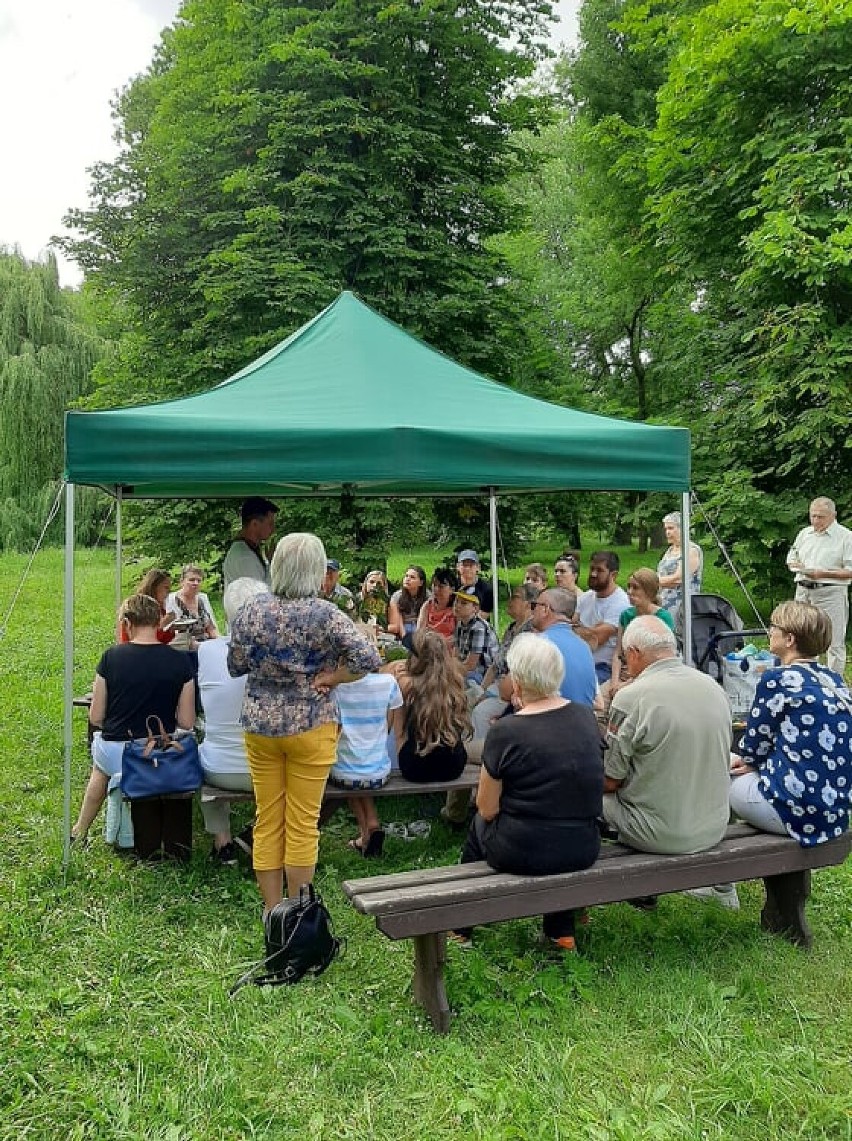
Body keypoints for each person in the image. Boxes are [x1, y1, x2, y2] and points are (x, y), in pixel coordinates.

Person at [227, 532, 381, 916]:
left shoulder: (250, 610)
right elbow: (368, 657)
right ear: (315, 569)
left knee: (267, 819)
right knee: (302, 823)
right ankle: (298, 915)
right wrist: (333, 678)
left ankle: (271, 911)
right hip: (312, 724)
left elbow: (234, 665)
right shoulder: (326, 613)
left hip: (261, 726)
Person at [451, 634, 604, 952]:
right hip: (584, 846)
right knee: (556, 826)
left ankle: (460, 925)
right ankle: (561, 932)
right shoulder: (585, 717)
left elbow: (487, 808)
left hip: (523, 851)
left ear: (517, 683)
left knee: (479, 827)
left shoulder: (506, 731)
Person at [603, 617, 734, 903]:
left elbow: (610, 781)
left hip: (661, 833)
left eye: (625, 658)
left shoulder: (631, 697)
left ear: (635, 653)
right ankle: (723, 890)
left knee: (582, 797)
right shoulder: (713, 687)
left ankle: (629, 892)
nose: (625, 665)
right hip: (714, 825)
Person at [71, 593, 195, 844]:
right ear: (160, 621)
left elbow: (95, 716)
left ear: (127, 622)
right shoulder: (179, 662)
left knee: (100, 767)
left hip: (118, 752)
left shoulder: (111, 657)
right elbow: (187, 721)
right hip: (158, 754)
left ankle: (80, 829)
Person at [730, 601, 850, 846]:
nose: (769, 631)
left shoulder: (778, 679)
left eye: (774, 627)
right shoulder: (834, 680)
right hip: (832, 814)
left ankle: (717, 879)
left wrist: (749, 761)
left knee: (719, 770)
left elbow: (755, 742)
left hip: (792, 812)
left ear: (789, 639)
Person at [197, 577, 267, 865]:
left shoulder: (207, 650)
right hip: (267, 767)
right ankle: (258, 834)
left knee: (199, 747)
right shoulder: (278, 653)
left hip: (218, 768)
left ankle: (222, 839)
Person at [329, 668, 405, 857]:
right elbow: (389, 724)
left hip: (345, 774)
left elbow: (334, 731)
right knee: (361, 769)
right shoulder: (388, 682)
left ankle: (366, 830)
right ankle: (369, 829)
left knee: (349, 770)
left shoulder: (336, 688)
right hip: (379, 771)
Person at [786, 497, 852, 676]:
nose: (815, 521)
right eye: (812, 516)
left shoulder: (845, 537)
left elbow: (850, 570)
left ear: (833, 516)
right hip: (803, 590)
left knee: (834, 640)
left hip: (830, 592)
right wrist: (795, 565)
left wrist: (823, 573)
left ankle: (835, 682)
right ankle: (807, 677)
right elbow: (793, 555)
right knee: (801, 635)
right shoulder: (805, 533)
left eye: (820, 517)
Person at [396, 630, 470, 783]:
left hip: (415, 767)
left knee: (401, 731)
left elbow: (399, 734)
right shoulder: (455, 683)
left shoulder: (407, 686)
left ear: (417, 659)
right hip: (454, 765)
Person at [606, 568, 675, 702]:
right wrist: (614, 683)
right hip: (625, 672)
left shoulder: (663, 617)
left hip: (651, 676)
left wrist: (627, 684)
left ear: (649, 592)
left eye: (636, 588)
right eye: (629, 587)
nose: (630, 592)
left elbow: (660, 659)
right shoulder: (626, 615)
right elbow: (618, 653)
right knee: (600, 703)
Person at [532, 587, 598, 706]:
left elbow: (506, 690)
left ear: (545, 609)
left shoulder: (538, 644)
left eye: (534, 605)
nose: (532, 611)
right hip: (584, 720)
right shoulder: (584, 646)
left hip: (550, 720)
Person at [573, 551, 629, 683]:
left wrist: (578, 629)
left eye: (599, 570)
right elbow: (567, 626)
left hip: (603, 668)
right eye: (592, 569)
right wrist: (585, 630)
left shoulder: (621, 603)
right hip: (579, 662)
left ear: (613, 575)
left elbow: (595, 640)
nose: (593, 574)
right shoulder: (585, 598)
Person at [222, 496, 278, 590]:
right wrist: (272, 564)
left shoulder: (248, 549)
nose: (273, 529)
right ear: (254, 524)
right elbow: (261, 596)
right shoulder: (244, 557)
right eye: (270, 524)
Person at [657, 511, 703, 616]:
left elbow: (678, 579)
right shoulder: (670, 550)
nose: (667, 532)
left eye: (671, 528)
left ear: (682, 528)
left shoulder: (691, 550)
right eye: (666, 529)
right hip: (661, 602)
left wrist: (651, 581)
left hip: (681, 606)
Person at [115, 567, 176, 644]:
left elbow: (167, 640)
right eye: (166, 588)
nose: (169, 591)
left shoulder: (163, 609)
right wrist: (163, 624)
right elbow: (141, 639)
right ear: (154, 587)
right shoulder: (136, 609)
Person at [166, 564, 219, 648]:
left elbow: (212, 628)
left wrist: (219, 642)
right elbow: (170, 631)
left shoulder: (203, 598)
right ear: (182, 581)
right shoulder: (171, 599)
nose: (195, 583)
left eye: (199, 580)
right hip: (182, 647)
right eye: (191, 580)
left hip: (204, 645)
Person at [452, 589, 498, 685]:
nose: (457, 605)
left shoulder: (479, 628)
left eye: (463, 603)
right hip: (464, 668)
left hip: (483, 674)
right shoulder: (460, 624)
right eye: (456, 601)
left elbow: (471, 665)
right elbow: (455, 655)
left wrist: (450, 669)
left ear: (475, 609)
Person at [387, 565, 429, 643]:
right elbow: (398, 620)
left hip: (420, 627)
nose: (407, 579)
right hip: (404, 627)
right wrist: (404, 637)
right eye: (406, 576)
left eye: (412, 577)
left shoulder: (427, 596)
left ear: (421, 583)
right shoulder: (397, 596)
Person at [417, 567, 457, 642]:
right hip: (428, 644)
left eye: (441, 586)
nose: (436, 589)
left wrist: (441, 643)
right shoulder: (427, 605)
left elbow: (458, 635)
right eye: (434, 585)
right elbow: (420, 630)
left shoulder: (457, 608)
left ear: (452, 589)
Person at [456, 549, 494, 620]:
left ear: (478, 567)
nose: (467, 568)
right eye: (464, 565)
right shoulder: (452, 586)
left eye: (471, 565)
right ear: (457, 567)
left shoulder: (487, 590)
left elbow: (482, 617)